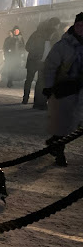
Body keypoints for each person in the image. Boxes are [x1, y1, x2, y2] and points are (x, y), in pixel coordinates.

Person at [42, 12, 83, 167]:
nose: (81, 29)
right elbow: (50, 66)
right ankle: (59, 152)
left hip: (80, 91)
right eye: (79, 25)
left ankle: (54, 141)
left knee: (74, 124)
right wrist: (48, 86)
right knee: (62, 123)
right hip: (64, 90)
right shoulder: (63, 45)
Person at [23, 17, 60, 107]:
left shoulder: (37, 34)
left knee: (31, 80)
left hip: (34, 60)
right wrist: (38, 55)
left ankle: (26, 99)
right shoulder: (47, 34)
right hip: (39, 60)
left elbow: (27, 46)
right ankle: (37, 101)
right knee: (39, 82)